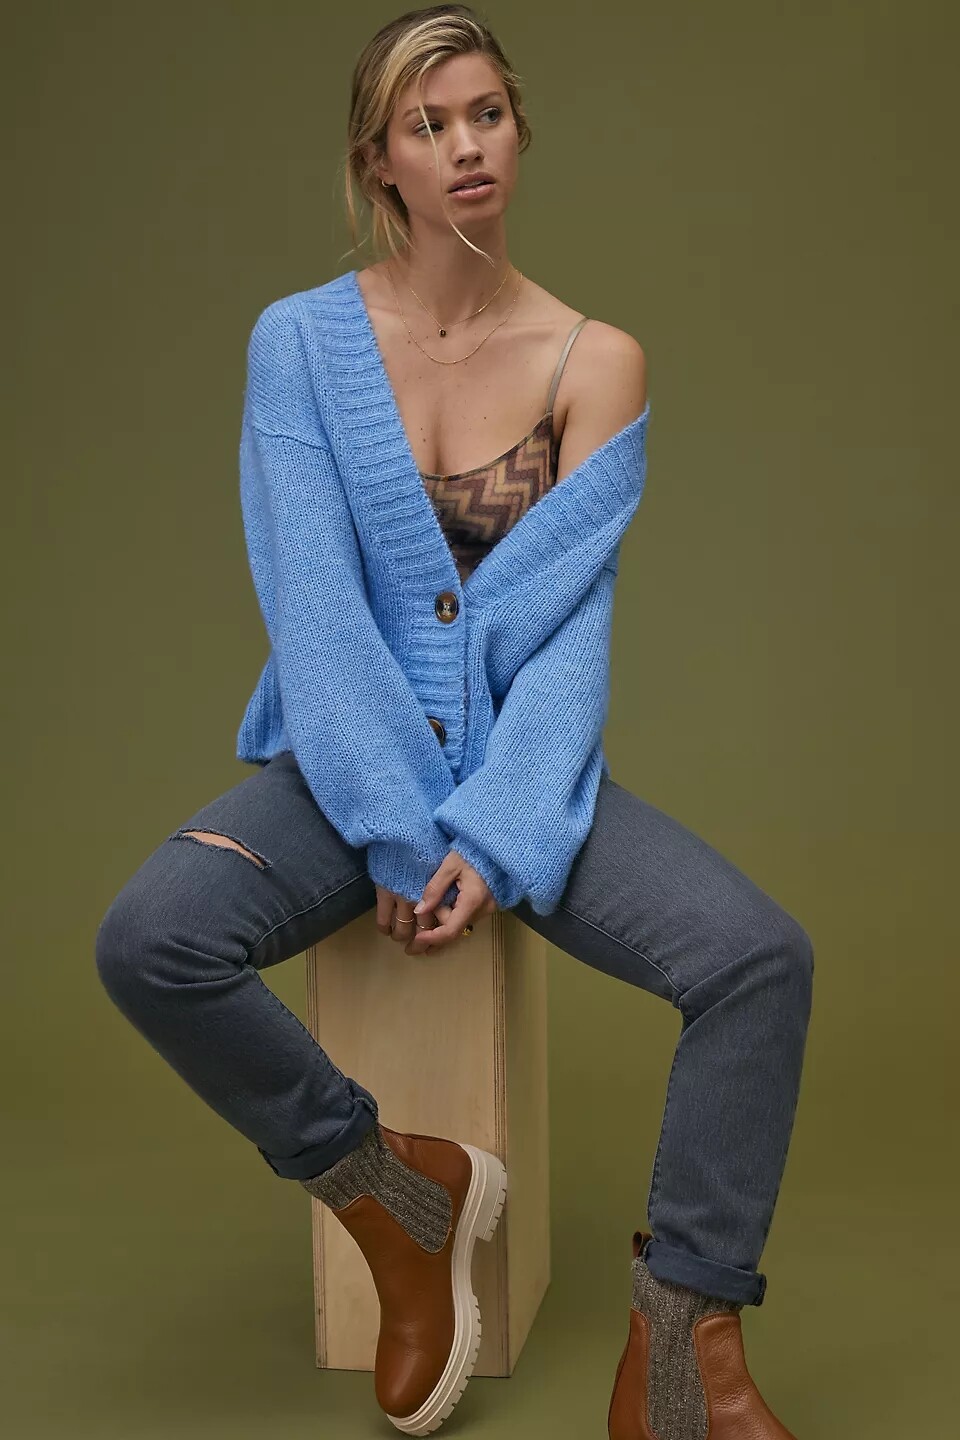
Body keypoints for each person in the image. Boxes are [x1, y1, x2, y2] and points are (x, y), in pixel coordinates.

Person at [95, 7, 813, 1438]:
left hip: (525, 781)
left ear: (518, 131)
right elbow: (315, 612)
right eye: (428, 126)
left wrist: (494, 832)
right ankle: (391, 1196)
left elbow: (568, 638)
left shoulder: (594, 360)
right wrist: (391, 827)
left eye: (486, 114)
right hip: (342, 768)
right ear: (381, 160)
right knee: (149, 941)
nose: (465, 145)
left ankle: (684, 1351)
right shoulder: (300, 345)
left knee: (760, 962)